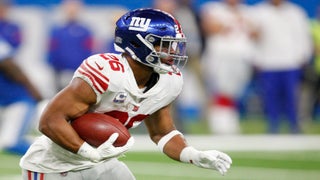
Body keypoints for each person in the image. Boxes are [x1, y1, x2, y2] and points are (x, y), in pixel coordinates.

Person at [19, 8, 232, 179]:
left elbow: (162, 133)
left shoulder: (170, 80)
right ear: (137, 44)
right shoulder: (106, 72)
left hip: (102, 164)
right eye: (164, 45)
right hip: (53, 166)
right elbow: (49, 121)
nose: (173, 51)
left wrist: (193, 155)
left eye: (174, 45)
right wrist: (89, 152)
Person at [251, 0, 313, 133]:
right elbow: (253, 38)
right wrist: (256, 59)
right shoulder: (258, 12)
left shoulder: (295, 12)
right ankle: (273, 126)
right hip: (268, 63)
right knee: (270, 97)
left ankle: (294, 125)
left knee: (291, 96)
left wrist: (303, 56)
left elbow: (303, 36)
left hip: (290, 62)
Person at [200, 0, 257, 134]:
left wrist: (239, 23)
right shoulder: (213, 8)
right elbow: (211, 28)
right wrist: (233, 22)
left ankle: (230, 121)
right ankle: (220, 124)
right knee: (221, 89)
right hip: (220, 55)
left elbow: (255, 33)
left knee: (234, 92)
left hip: (242, 56)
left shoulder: (249, 11)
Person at [0, 36, 43, 155]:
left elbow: (12, 67)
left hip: (16, 101)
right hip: (4, 103)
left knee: (10, 143)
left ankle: (51, 150)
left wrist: (34, 91)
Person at [48, 0, 94, 91]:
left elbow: (89, 51)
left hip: (80, 73)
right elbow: (52, 51)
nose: (71, 10)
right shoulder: (57, 31)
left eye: (74, 8)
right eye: (69, 7)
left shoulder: (85, 31)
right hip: (60, 72)